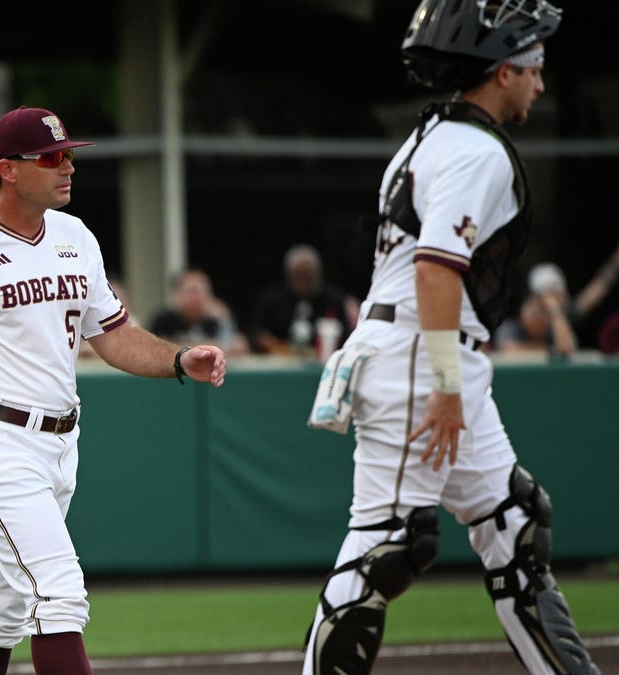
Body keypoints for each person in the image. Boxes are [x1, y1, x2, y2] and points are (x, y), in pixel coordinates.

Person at [0, 105, 227, 675]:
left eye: (70, 157)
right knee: (59, 595)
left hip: (61, 441)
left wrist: (180, 359)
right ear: (8, 169)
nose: (68, 169)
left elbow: (114, 337)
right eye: (53, 158)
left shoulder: (74, 235)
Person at [300, 2, 600, 674]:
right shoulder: (474, 149)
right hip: (421, 359)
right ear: (501, 72)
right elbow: (438, 269)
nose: (540, 83)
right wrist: (444, 384)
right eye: (533, 67)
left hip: (423, 350)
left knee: (515, 524)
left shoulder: (434, 135)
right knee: (386, 549)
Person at [247, 243, 357, 359]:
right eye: (298, 274)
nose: (303, 280)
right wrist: (273, 344)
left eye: (307, 274)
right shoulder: (272, 300)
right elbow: (255, 332)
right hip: (279, 361)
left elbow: (345, 336)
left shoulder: (333, 300)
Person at [148, 267, 249, 356]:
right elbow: (154, 348)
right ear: (178, 294)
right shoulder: (164, 320)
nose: (196, 298)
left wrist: (224, 318)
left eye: (202, 292)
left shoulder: (216, 320)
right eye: (192, 291)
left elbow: (238, 346)